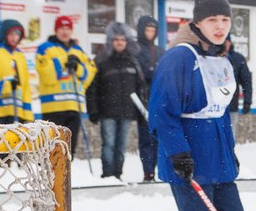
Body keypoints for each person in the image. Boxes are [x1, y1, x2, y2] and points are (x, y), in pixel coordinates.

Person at [148, 0, 242, 211]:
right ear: (197, 23)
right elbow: (161, 111)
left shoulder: (221, 57)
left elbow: (221, 113)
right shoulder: (179, 58)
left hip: (217, 158)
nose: (220, 26)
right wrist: (178, 152)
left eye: (225, 19)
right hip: (188, 157)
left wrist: (230, 152)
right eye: (212, 19)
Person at [85, 22, 145, 181]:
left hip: (127, 111)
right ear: (111, 41)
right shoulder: (101, 61)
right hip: (107, 111)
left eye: (123, 39)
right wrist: (92, 110)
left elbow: (140, 88)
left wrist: (140, 111)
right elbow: (92, 88)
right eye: (116, 39)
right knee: (109, 144)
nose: (120, 42)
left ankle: (118, 173)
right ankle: (108, 174)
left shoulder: (132, 62)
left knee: (121, 145)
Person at [35, 15, 96, 156]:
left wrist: (78, 67)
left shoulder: (78, 50)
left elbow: (90, 73)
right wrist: (64, 60)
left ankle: (67, 169)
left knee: (69, 151)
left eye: (68, 28)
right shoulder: (45, 48)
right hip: (53, 107)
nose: (65, 31)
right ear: (56, 30)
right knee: (52, 150)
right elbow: (46, 75)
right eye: (61, 28)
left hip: (74, 106)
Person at [134, 14, 164, 182]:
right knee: (146, 138)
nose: (150, 33)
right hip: (143, 98)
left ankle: (159, 169)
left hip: (159, 98)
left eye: (153, 30)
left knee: (158, 138)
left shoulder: (159, 50)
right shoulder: (135, 49)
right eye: (147, 30)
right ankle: (148, 171)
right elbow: (137, 72)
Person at [225, 37, 253, 141]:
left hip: (232, 105)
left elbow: (246, 82)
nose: (224, 44)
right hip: (214, 107)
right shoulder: (212, 57)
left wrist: (247, 101)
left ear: (230, 43)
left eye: (226, 42)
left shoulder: (238, 59)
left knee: (230, 137)